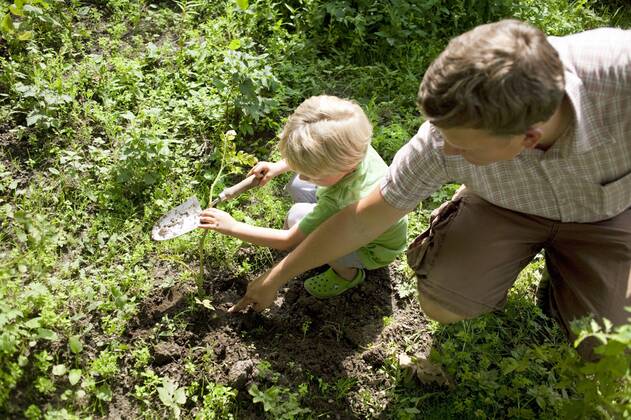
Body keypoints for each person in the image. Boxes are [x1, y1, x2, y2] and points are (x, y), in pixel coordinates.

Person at [227, 19, 631, 356]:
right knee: (443, 300)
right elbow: (363, 219)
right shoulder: (438, 141)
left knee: (604, 345)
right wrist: (274, 279)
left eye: (463, 146)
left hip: (605, 215)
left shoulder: (620, 76)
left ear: (527, 137)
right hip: (505, 205)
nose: (444, 149)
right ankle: (478, 218)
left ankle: (572, 275)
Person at [199, 95, 407, 298]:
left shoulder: (342, 200)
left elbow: (287, 241)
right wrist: (276, 167)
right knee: (298, 184)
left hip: (371, 249)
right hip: (362, 217)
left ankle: (347, 274)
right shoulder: (353, 144)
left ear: (341, 168)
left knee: (296, 216)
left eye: (310, 172)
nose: (301, 175)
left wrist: (233, 227)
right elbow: (319, 155)